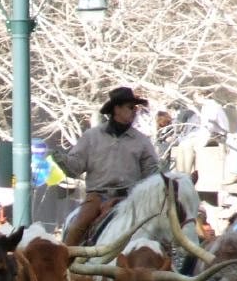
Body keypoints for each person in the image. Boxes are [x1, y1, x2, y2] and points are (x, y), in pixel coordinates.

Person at [53, 86, 160, 247]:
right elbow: (75, 167)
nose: (134, 111)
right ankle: (65, 264)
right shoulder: (92, 137)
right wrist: (60, 159)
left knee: (157, 232)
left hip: (131, 198)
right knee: (77, 227)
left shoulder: (142, 141)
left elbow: (151, 174)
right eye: (131, 107)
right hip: (97, 196)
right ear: (117, 108)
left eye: (136, 108)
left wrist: (164, 177)